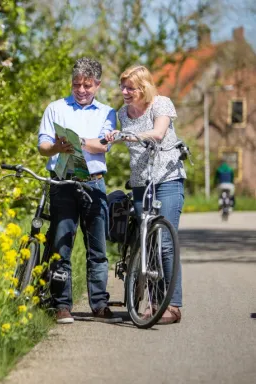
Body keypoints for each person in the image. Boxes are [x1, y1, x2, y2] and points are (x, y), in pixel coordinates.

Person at [38, 57, 121, 324]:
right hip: (63, 181)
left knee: (97, 248)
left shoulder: (107, 112)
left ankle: (99, 304)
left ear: (97, 84)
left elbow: (104, 146)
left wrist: (79, 141)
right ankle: (62, 305)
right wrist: (57, 148)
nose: (81, 90)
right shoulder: (55, 108)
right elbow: (43, 145)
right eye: (76, 85)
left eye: (87, 85)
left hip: (94, 183)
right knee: (62, 245)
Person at [105, 65, 185, 325]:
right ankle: (154, 304)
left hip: (167, 178)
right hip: (141, 181)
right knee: (146, 242)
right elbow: (117, 137)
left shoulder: (161, 104)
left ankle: (173, 306)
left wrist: (127, 135)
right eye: (123, 87)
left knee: (164, 243)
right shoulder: (122, 113)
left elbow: (159, 133)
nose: (125, 92)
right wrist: (112, 136)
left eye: (130, 87)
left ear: (144, 87)